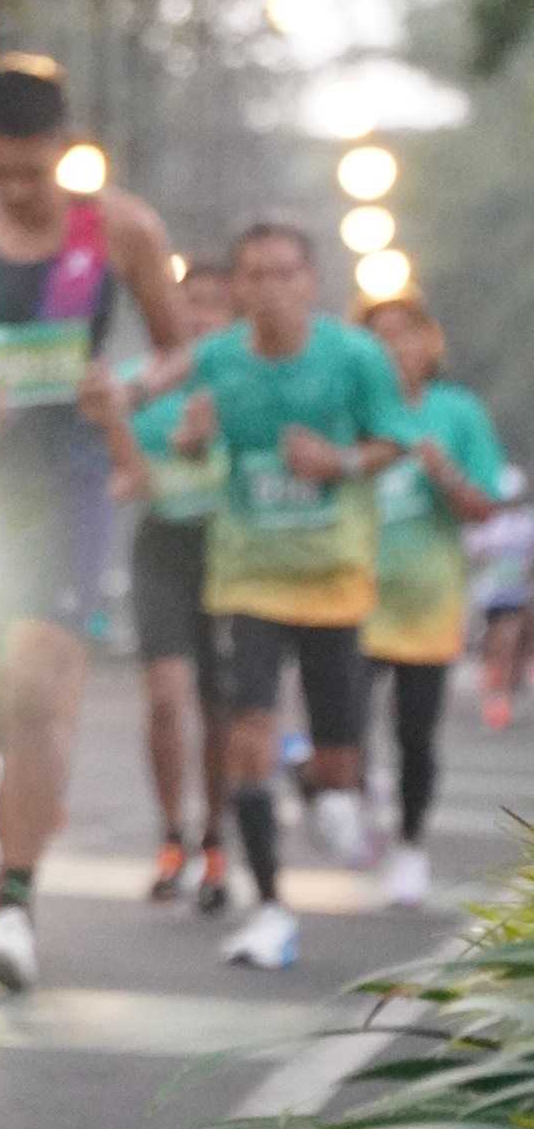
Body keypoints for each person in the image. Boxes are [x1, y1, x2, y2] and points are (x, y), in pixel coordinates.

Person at [0, 56, 181, 994]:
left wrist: (128, 389)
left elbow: (179, 350)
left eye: (35, 170)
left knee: (38, 684)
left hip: (67, 481)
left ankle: (16, 906)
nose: (20, 190)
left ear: (65, 148)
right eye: (3, 172)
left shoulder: (121, 230)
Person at [139, 220, 411, 969]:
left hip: (332, 581)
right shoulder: (220, 357)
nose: (269, 289)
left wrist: (338, 461)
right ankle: (268, 908)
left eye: (284, 273)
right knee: (246, 733)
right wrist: (179, 432)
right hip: (247, 578)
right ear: (240, 288)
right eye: (254, 275)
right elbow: (155, 389)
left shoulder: (355, 357)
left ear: (310, 282)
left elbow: (394, 440)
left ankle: (321, 781)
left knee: (338, 773)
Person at [357, 292, 510, 906]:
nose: (394, 346)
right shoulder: (350, 409)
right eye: (379, 335)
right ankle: (349, 790)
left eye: (406, 332)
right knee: (335, 725)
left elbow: (484, 509)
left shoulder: (457, 412)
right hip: (349, 597)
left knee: (414, 733)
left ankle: (410, 845)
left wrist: (441, 470)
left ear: (430, 343)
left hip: (428, 600)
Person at [109, 258, 238, 914]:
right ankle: (170, 836)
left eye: (215, 302)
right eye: (190, 301)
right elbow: (113, 450)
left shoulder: (247, 380)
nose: (200, 315)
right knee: (165, 697)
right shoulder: (144, 383)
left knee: (222, 708)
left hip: (231, 553)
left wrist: (214, 442)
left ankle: (216, 839)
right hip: (161, 546)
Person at [470, 480, 534, 731]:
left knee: (508, 643)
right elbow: (474, 552)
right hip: (488, 596)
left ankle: (500, 700)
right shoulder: (486, 521)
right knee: (493, 646)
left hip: (516, 596)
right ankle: (494, 686)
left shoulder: (528, 523)